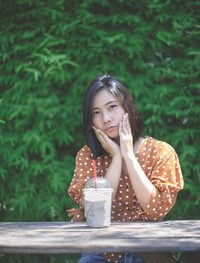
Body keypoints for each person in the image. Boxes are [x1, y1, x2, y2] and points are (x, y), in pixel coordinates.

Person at [67, 74, 184, 263]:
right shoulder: (88, 156)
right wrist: (115, 157)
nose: (105, 118)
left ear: (127, 107)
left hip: (145, 251)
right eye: (96, 112)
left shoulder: (161, 152)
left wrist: (128, 156)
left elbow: (155, 209)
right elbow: (92, 210)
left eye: (112, 107)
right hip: (100, 252)